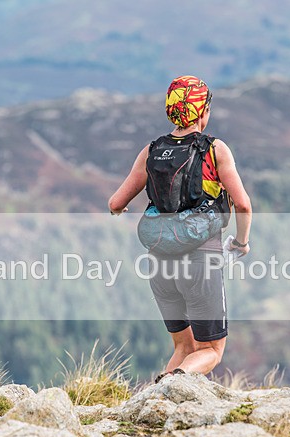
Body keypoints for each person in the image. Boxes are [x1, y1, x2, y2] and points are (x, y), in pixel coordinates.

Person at [108, 75, 252, 381]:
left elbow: (115, 203)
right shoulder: (214, 150)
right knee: (211, 350)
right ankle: (174, 382)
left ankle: (157, 397)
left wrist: (123, 209)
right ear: (203, 112)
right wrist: (241, 243)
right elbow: (242, 205)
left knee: (184, 347)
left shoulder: (152, 150)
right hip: (200, 261)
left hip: (159, 263)